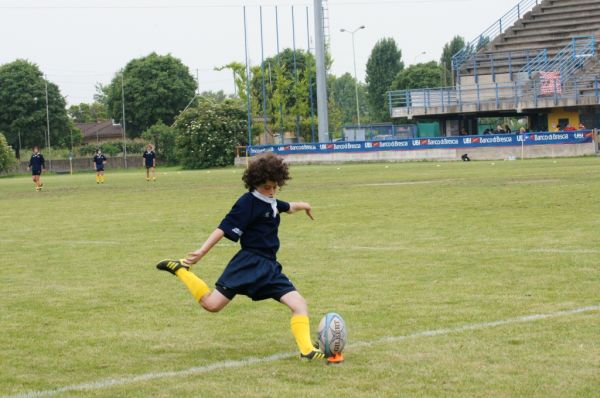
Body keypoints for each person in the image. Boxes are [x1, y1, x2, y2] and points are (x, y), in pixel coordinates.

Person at [156, 152, 326, 361]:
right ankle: (181, 270)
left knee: (299, 304)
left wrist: (304, 205)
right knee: (212, 305)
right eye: (267, 187)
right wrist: (202, 251)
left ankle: (307, 350)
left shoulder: (271, 201)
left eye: (275, 187)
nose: (272, 191)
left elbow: (288, 207)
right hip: (248, 263)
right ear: (255, 183)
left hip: (270, 267)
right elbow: (223, 227)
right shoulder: (247, 202)